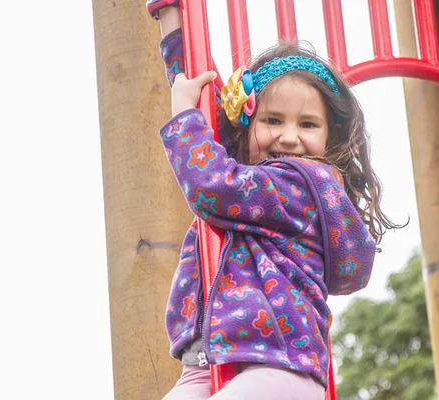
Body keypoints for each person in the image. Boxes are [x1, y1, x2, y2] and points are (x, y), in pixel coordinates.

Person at [146, 1, 401, 398]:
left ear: (329, 139)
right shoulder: (251, 179)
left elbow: (213, 188)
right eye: (273, 120)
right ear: (246, 124)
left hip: (278, 367)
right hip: (208, 361)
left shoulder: (303, 184)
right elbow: (200, 89)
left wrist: (183, 120)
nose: (289, 136)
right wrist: (171, 14)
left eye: (308, 124)